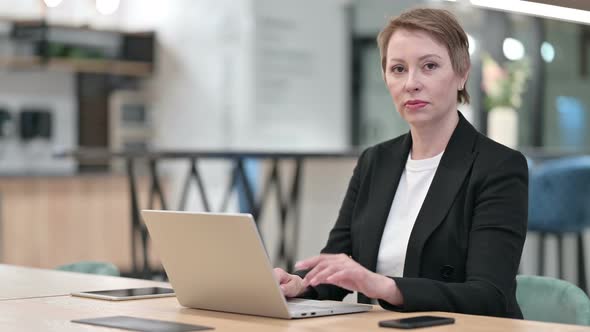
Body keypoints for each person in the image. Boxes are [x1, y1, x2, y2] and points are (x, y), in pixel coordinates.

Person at [273, 7, 528, 318]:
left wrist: (384, 286)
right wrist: (301, 285)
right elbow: (338, 269)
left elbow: (489, 296)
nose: (411, 83)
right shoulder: (375, 161)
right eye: (398, 69)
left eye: (429, 66)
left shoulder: (499, 167)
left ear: (462, 74)